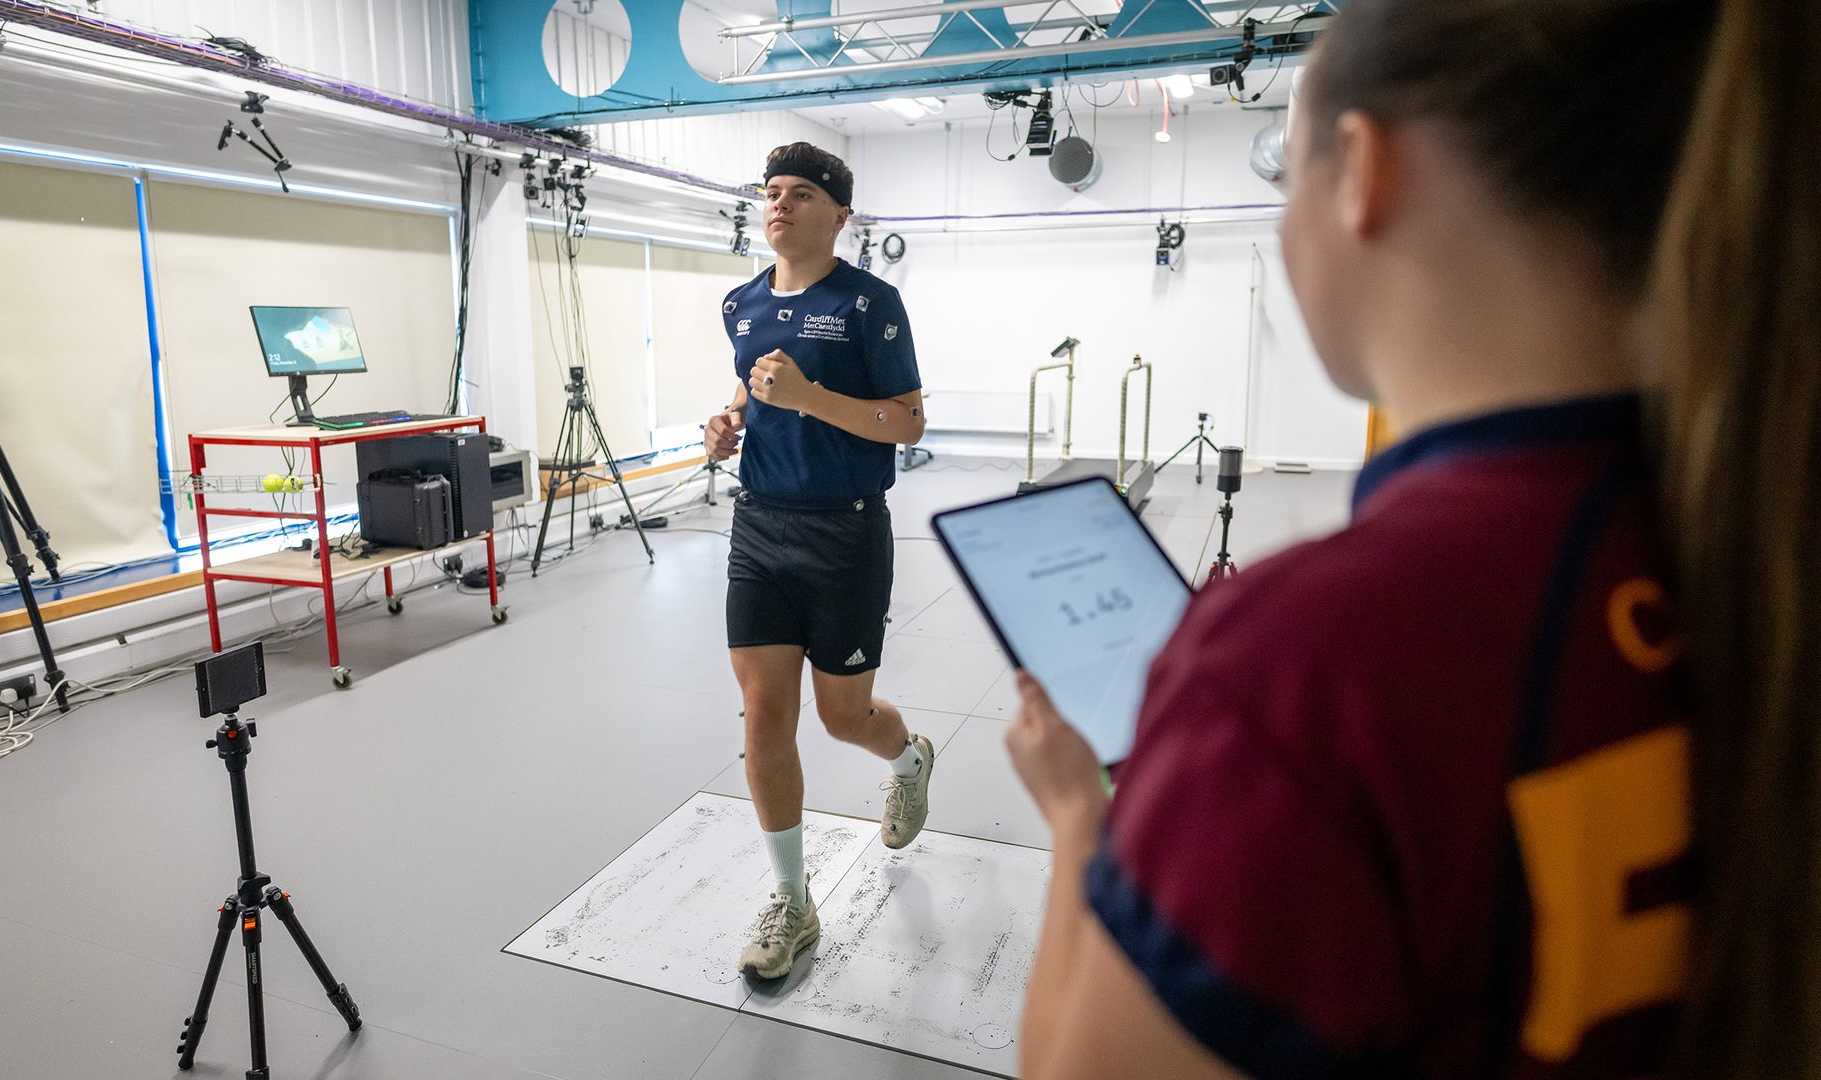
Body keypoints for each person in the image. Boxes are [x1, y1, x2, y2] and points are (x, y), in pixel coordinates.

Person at [1003, 0, 1816, 1077]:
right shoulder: (1753, 536)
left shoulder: (1294, 667)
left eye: (1287, 177)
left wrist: (1077, 817)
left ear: (1359, 171)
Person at [703, 142, 935, 981]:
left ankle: (909, 759)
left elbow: (906, 422)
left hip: (846, 534)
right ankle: (793, 901)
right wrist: (728, 422)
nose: (780, 205)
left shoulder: (872, 304)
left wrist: (809, 399)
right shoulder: (740, 304)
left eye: (801, 194)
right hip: (760, 530)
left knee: (843, 717)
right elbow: (750, 384)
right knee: (764, 716)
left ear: (839, 216)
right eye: (771, 192)